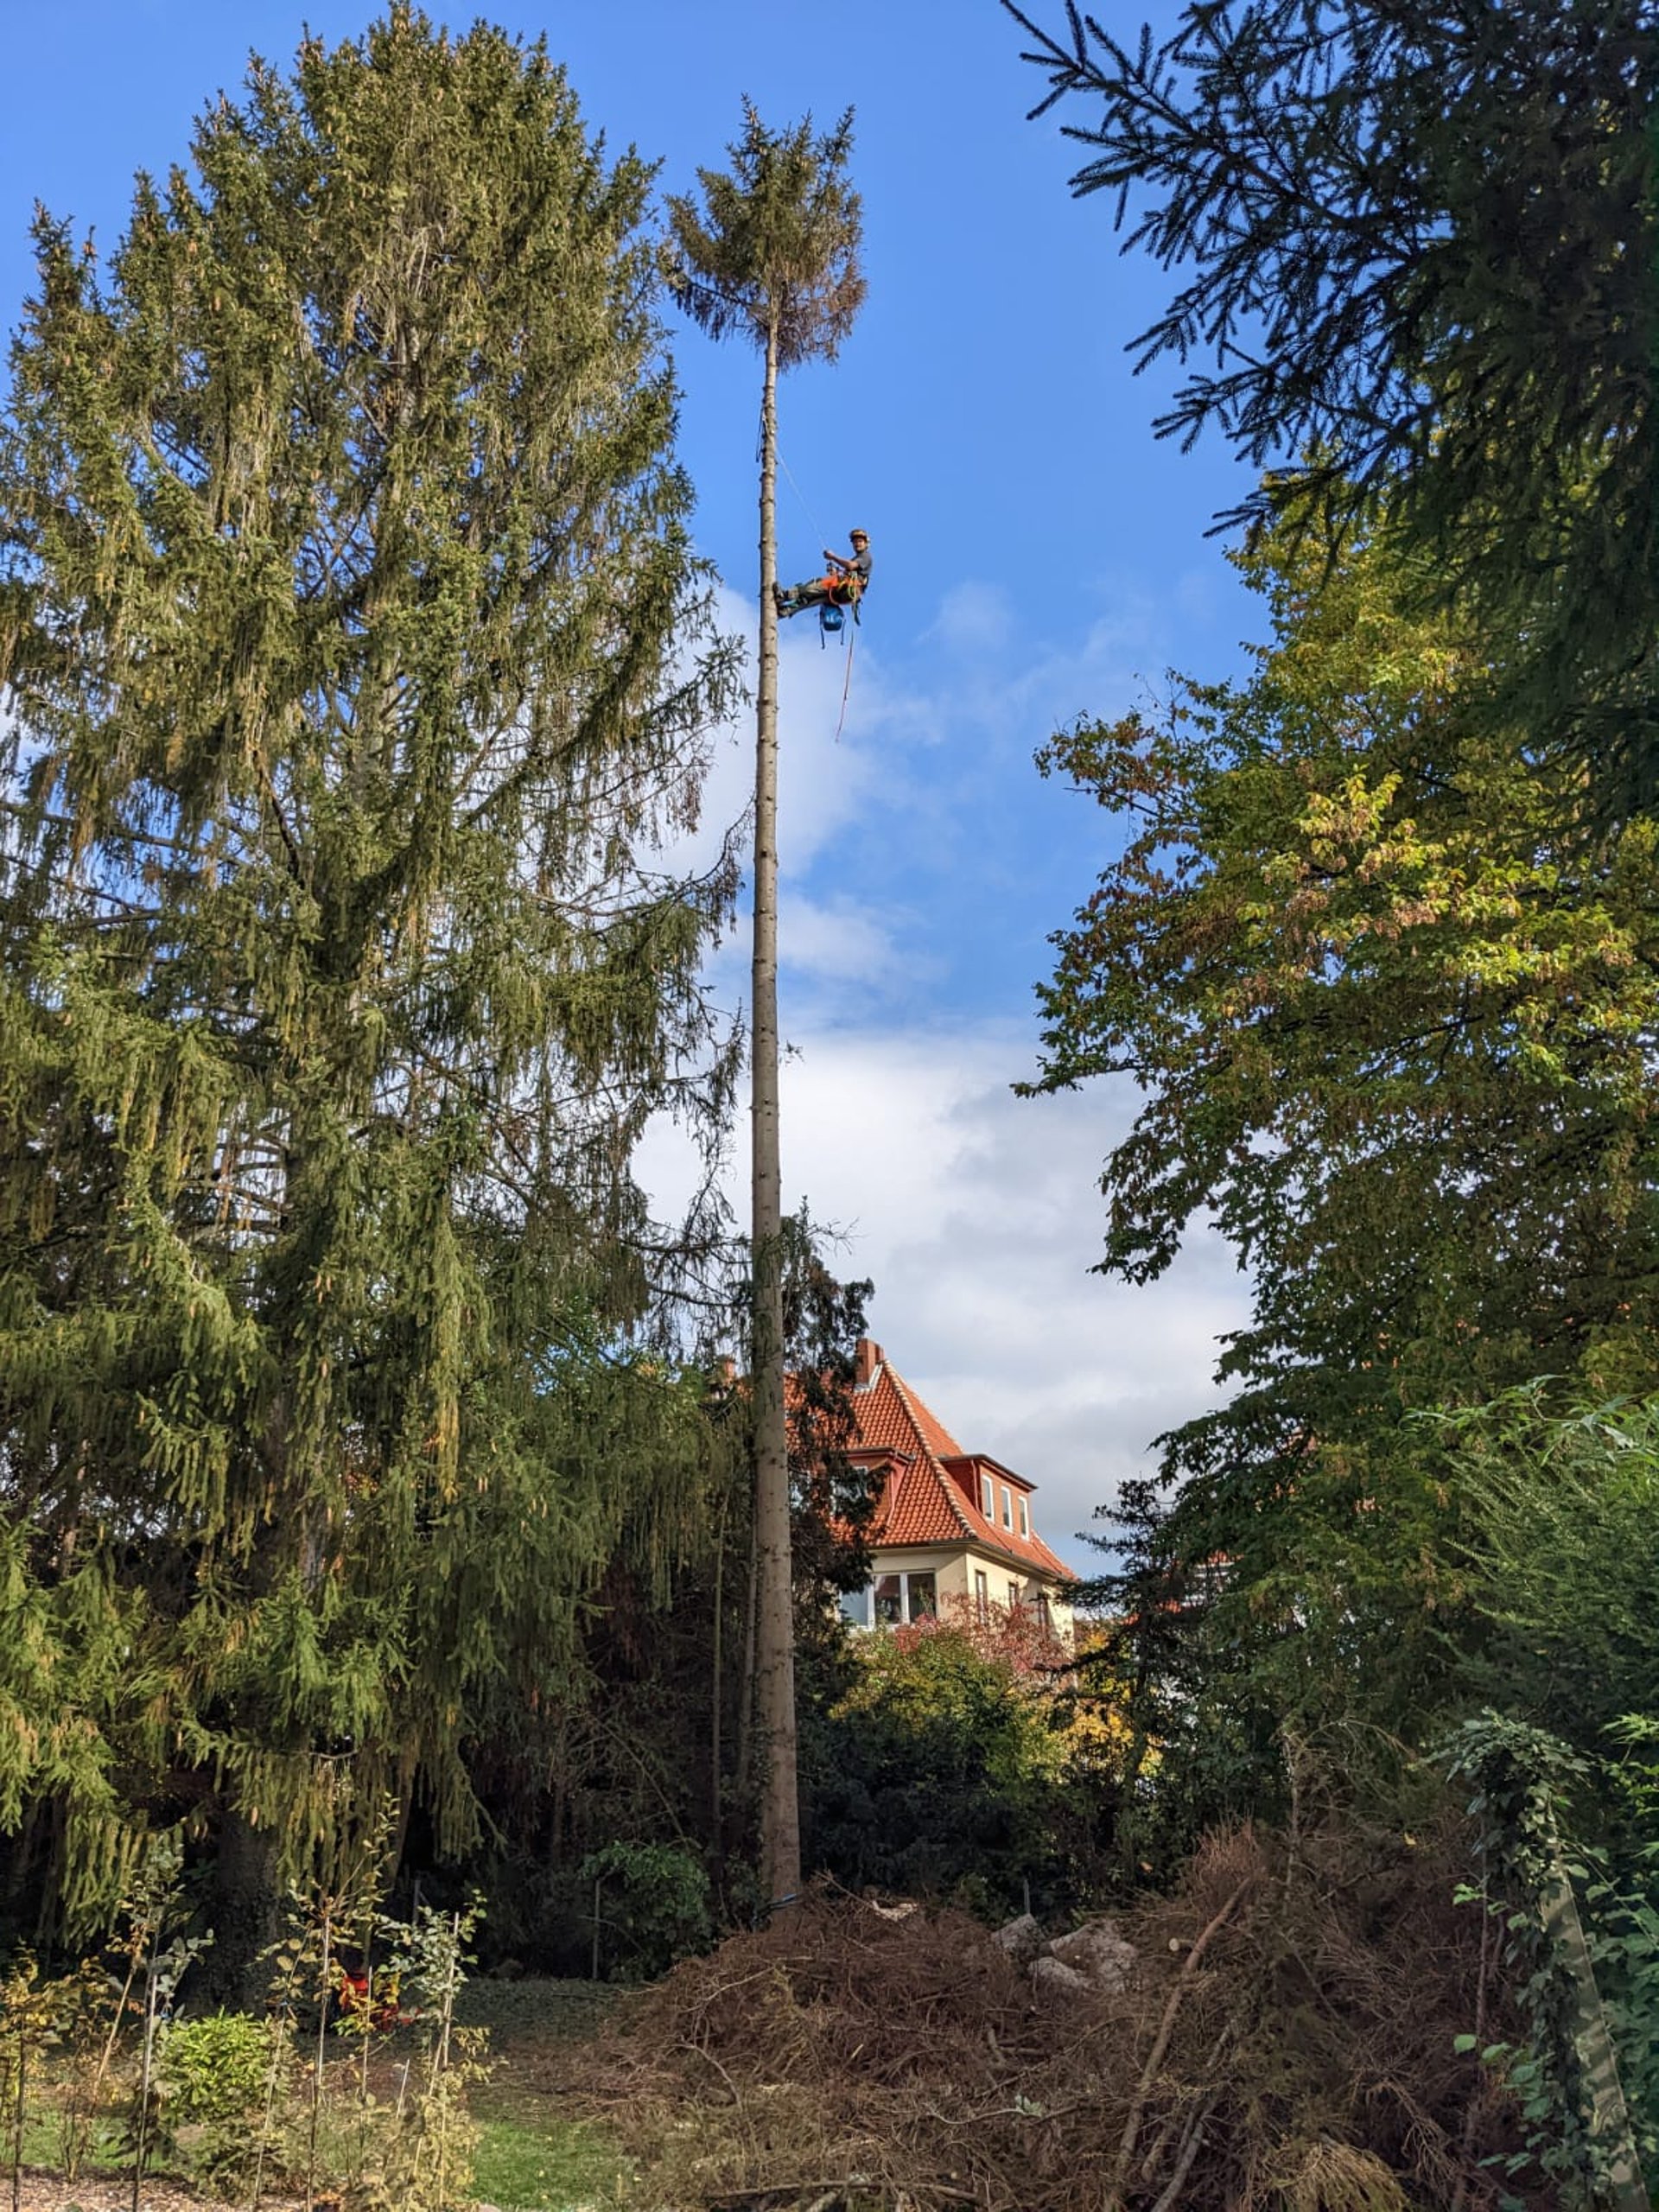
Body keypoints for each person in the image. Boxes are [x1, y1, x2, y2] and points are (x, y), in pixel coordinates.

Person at [774, 528, 871, 620]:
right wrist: (836, 571)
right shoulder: (859, 558)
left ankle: (783, 596)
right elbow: (850, 571)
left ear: (866, 544)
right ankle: (784, 611)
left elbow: (850, 566)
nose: (857, 544)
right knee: (809, 599)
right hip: (839, 592)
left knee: (809, 588)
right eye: (855, 542)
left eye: (860, 541)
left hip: (842, 588)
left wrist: (833, 557)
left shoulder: (865, 557)